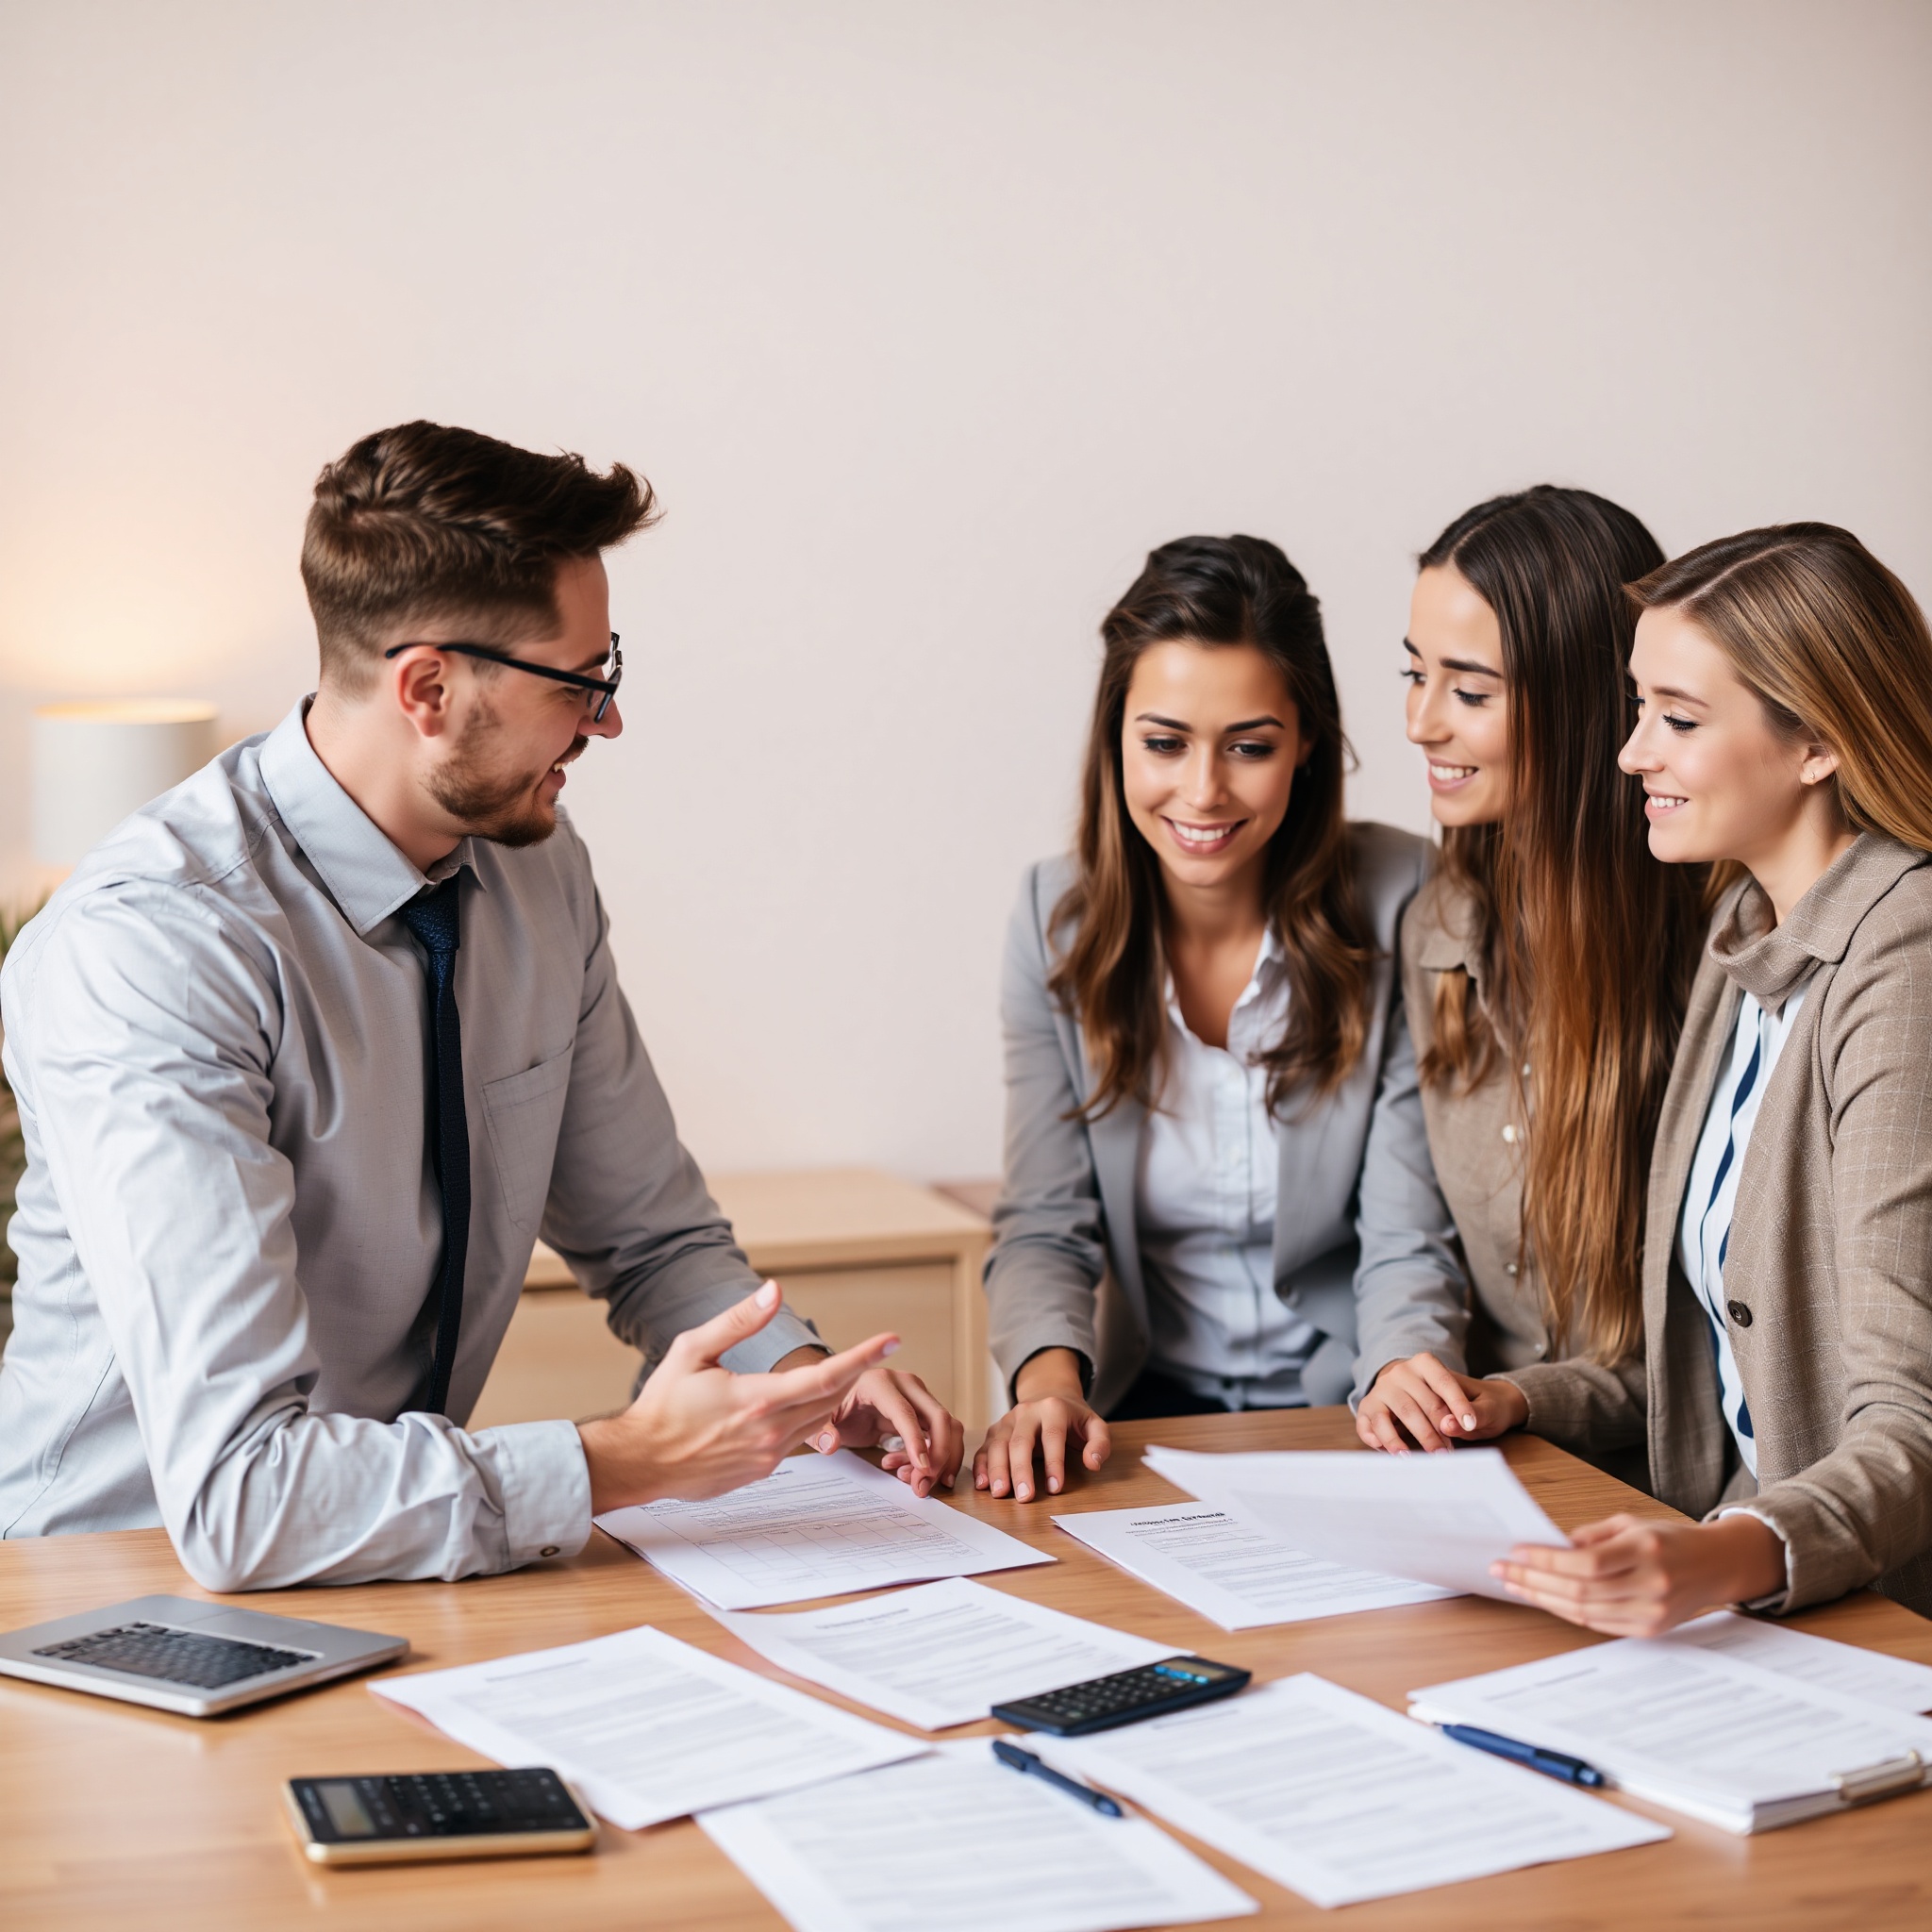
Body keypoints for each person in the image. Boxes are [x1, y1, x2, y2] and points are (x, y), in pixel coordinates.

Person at [0, 421, 961, 1590]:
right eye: (578, 683)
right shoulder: (152, 949)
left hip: (399, 1565)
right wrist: (629, 1457)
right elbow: (243, 1497)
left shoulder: (535, 870)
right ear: (427, 688)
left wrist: (798, 1378)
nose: (606, 721)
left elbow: (650, 1235)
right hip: (111, 1595)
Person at [1442, 524, 1932, 1630]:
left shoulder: (1906, 957)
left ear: (1815, 741)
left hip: (1868, 1616)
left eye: (1676, 719)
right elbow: (1721, 1354)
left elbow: (1913, 1422)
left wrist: (1731, 1552)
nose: (1629, 755)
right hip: (1742, 1589)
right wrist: (1515, 1397)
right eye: (1635, 709)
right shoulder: (1742, 925)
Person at [974, 534, 1460, 1503]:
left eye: (1248, 746)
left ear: (1305, 744)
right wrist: (1045, 1386)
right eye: (1163, 742)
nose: (1201, 791)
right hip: (1146, 1416)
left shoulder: (1403, 894)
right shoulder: (1049, 918)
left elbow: (1407, 1227)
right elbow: (1044, 1222)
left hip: (1348, 1406)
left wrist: (1405, 1370)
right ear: (1115, 736)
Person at [1353, 488, 1706, 1467]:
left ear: (1590, 706)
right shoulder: (1438, 921)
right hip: (1482, 1462)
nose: (1421, 722)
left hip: (1665, 1490)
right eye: (1413, 673)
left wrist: (1516, 1397)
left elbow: (1718, 1344)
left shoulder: (1717, 952)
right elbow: (1407, 1228)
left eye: (1468, 690)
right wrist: (1404, 1366)